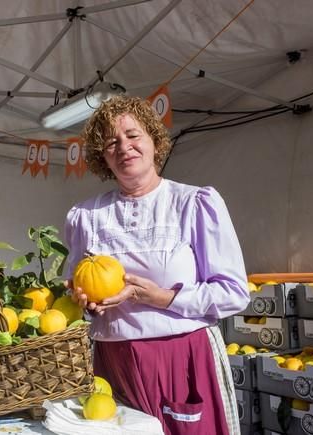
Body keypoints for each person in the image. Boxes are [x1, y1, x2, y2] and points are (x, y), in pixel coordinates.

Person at [64, 95, 249, 435]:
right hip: (113, 362)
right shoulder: (85, 217)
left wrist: (161, 297)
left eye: (133, 135)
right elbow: (75, 293)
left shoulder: (194, 203)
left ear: (153, 139)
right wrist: (84, 305)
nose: (124, 147)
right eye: (110, 143)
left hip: (183, 358)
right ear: (102, 157)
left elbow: (234, 293)